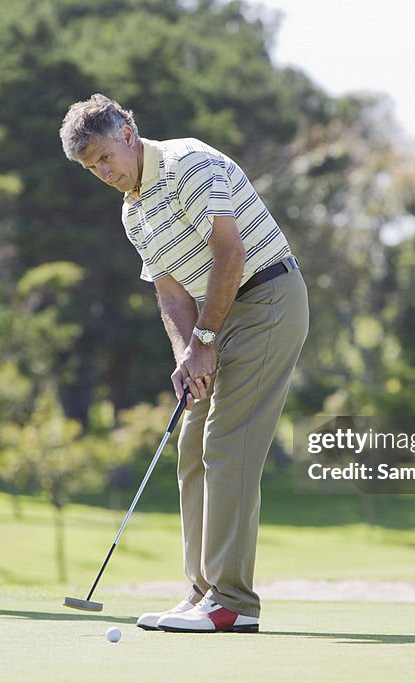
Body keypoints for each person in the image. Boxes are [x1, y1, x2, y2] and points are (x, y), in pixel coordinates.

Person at [59, 94, 309, 633]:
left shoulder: (186, 164)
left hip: (268, 299)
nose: (102, 173)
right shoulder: (133, 211)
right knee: (193, 442)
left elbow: (230, 253)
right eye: (90, 168)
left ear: (127, 131)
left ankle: (233, 602)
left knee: (227, 442)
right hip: (216, 317)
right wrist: (186, 354)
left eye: (104, 157)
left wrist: (205, 338)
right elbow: (172, 294)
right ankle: (201, 592)